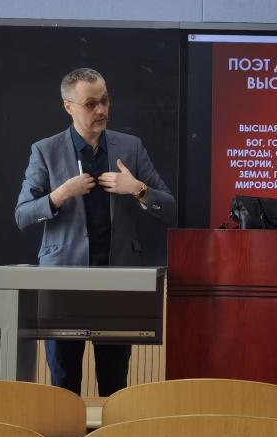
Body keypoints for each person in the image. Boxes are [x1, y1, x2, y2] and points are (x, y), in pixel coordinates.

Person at [14, 67, 175, 396]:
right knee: (63, 383)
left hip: (117, 282)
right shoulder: (45, 150)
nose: (101, 110)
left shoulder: (130, 147)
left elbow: (170, 207)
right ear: (68, 106)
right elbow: (22, 215)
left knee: (115, 383)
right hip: (63, 284)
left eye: (105, 101)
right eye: (90, 104)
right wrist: (61, 194)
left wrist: (138, 189)